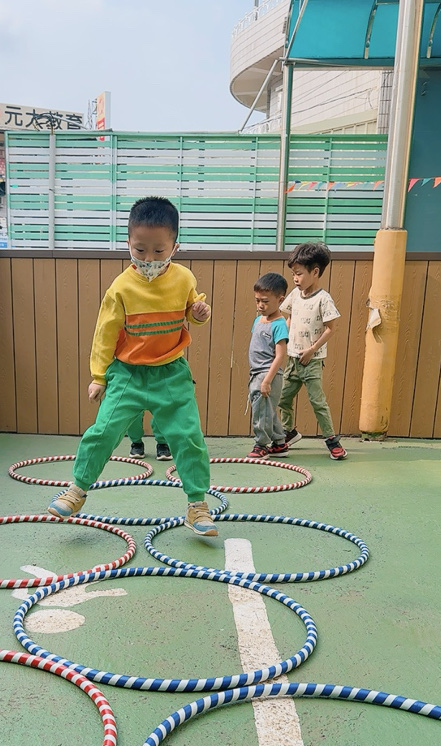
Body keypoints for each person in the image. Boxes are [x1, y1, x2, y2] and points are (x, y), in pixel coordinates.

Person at [47, 196, 217, 536]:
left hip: (171, 373)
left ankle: (197, 505)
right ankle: (77, 490)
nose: (148, 259)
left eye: (158, 250)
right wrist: (98, 376)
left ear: (174, 247)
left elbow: (192, 309)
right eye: (140, 250)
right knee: (103, 432)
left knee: (189, 436)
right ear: (128, 243)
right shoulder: (121, 287)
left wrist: (199, 314)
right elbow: (105, 333)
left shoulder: (184, 278)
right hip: (127, 374)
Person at [278, 242, 348, 460]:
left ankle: (332, 440)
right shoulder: (295, 295)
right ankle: (289, 432)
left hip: (312, 361)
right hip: (292, 359)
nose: (295, 278)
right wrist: (281, 340)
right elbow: (289, 318)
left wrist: (312, 349)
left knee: (318, 402)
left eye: (299, 273)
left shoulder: (323, 298)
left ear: (315, 272)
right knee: (283, 399)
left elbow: (330, 329)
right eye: (293, 274)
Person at [246, 272, 290, 459]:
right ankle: (279, 443)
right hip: (256, 373)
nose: (260, 305)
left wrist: (267, 381)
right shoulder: (258, 320)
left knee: (261, 412)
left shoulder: (279, 324)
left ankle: (261, 444)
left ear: (280, 300)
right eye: (257, 301)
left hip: (267, 373)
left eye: (265, 301)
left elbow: (280, 355)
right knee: (267, 410)